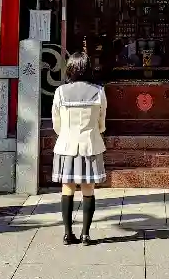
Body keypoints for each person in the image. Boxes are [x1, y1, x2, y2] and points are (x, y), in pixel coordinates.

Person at [51, 50, 107, 245]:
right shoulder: (98, 91)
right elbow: (102, 122)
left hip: (66, 144)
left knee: (67, 188)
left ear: (70, 68)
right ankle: (85, 235)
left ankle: (68, 234)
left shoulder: (60, 92)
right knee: (88, 189)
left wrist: (65, 133)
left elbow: (56, 122)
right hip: (90, 144)